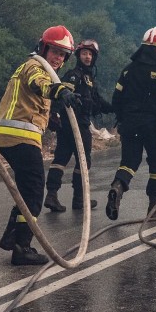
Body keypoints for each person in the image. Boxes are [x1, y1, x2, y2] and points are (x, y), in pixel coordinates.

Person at [0, 26, 81, 266]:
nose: (59, 58)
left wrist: (50, 119)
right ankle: (22, 248)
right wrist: (60, 91)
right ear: (44, 48)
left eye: (64, 55)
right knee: (34, 191)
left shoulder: (37, 68)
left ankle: (13, 240)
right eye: (55, 51)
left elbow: (28, 100)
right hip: (18, 137)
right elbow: (39, 84)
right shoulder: (35, 67)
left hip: (14, 136)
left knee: (26, 191)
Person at [105, 27, 156, 221]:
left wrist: (122, 120)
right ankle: (154, 208)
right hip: (153, 125)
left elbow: (116, 99)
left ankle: (118, 187)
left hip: (130, 124)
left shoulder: (128, 69)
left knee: (129, 162)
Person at [44, 39, 113, 212]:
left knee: (61, 158)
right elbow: (62, 94)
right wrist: (54, 113)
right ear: (78, 56)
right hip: (75, 124)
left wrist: (116, 108)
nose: (87, 57)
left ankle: (51, 196)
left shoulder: (89, 79)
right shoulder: (74, 75)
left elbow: (98, 102)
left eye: (90, 54)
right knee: (84, 160)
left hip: (74, 124)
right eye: (84, 53)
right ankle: (79, 199)